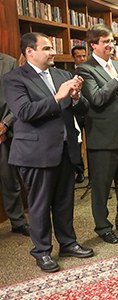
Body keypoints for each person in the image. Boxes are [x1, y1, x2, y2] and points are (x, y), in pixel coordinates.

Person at [4, 32, 93, 272]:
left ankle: (68, 243)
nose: (53, 52)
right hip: (35, 151)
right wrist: (58, 96)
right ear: (30, 52)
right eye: (47, 48)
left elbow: (82, 109)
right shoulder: (14, 78)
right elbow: (24, 112)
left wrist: (75, 98)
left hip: (65, 148)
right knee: (40, 205)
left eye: (52, 47)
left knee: (65, 201)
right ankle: (42, 251)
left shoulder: (63, 74)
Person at [77, 24, 118, 244]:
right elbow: (96, 99)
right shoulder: (85, 69)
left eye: (112, 41)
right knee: (101, 186)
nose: (111, 45)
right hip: (103, 137)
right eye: (105, 41)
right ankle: (103, 227)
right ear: (93, 44)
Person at [0, 52, 29, 237]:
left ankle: (18, 221)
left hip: (5, 131)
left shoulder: (9, 62)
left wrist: (4, 125)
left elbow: (16, 99)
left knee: (10, 181)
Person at [70, 45, 87, 183]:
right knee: (75, 144)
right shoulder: (68, 73)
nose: (82, 59)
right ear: (73, 58)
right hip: (74, 113)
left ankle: (95, 178)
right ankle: (79, 170)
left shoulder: (90, 71)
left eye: (83, 56)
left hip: (89, 111)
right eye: (78, 56)